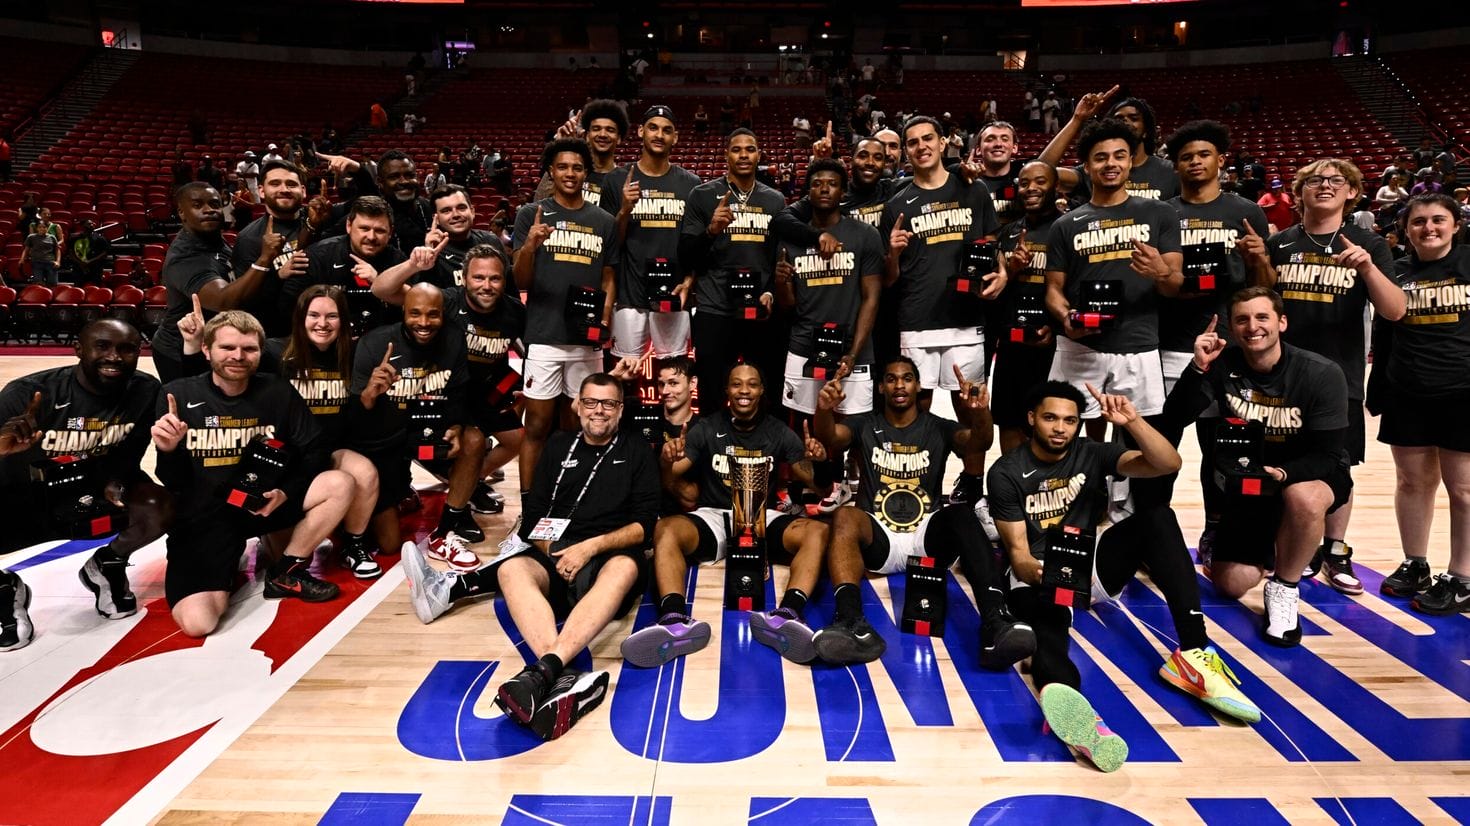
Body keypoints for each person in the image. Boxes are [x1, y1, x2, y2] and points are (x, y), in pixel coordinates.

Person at [403, 373, 656, 740]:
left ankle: (544, 670)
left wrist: (589, 548)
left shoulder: (636, 451)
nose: (598, 411)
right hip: (558, 554)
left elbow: (644, 526)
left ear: (620, 410)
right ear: (577, 405)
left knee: (624, 567)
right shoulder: (557, 445)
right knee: (512, 569)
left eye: (608, 404)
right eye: (590, 402)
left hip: (607, 555)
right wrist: (556, 553)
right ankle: (559, 673)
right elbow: (534, 514)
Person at [988, 381, 1185, 772]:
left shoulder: (1091, 453)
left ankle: (1194, 650)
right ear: (1032, 419)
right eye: (1050, 418)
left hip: (1089, 568)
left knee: (1158, 517)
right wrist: (1045, 576)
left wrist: (1134, 422)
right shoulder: (1006, 472)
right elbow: (1019, 556)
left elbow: (1168, 464)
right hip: (1038, 576)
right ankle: (1083, 721)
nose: (1060, 428)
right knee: (1050, 629)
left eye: (1070, 420)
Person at [809, 357, 1033, 669]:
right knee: (845, 515)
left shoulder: (937, 426)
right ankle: (851, 623)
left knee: (961, 512)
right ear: (880, 387)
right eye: (891, 378)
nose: (899, 385)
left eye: (907, 378)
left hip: (926, 539)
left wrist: (980, 412)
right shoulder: (865, 423)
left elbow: (979, 442)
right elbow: (830, 438)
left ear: (918, 386)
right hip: (880, 537)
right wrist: (824, 409)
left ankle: (996, 621)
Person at [1164, 288, 1353, 646]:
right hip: (1250, 485)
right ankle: (1287, 540)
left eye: (1262, 317)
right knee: (1231, 583)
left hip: (1308, 474)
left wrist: (1282, 475)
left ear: (1281, 322)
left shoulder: (1321, 373)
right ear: (1233, 329)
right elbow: (1175, 418)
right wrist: (1197, 367)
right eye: (1242, 319)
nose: (1253, 327)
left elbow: (1328, 456)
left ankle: (1285, 587)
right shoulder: (1222, 365)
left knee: (1304, 499)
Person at [152, 311, 351, 637]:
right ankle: (229, 561)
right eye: (227, 348)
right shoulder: (178, 396)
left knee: (339, 482)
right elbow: (173, 482)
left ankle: (286, 570)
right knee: (198, 624)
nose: (238, 357)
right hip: (205, 518)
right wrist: (169, 449)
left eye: (249, 349)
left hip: (262, 503)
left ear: (261, 352)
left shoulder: (276, 390)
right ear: (206, 350)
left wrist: (286, 491)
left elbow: (315, 449)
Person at [1259, 158, 1405, 594]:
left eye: (1335, 181)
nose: (1325, 186)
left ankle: (1335, 549)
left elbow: (1395, 309)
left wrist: (1367, 268)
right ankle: (1294, 546)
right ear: (1299, 192)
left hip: (1338, 376)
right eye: (1315, 181)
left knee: (1337, 464)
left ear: (1351, 193)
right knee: (1283, 462)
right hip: (1281, 375)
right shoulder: (1280, 243)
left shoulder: (1368, 244)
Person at [620, 364, 830, 666]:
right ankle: (674, 620)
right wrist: (666, 461)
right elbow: (671, 477)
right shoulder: (706, 428)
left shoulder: (779, 431)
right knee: (666, 528)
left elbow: (820, 488)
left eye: (752, 384)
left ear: (761, 391)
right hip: (716, 516)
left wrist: (820, 463)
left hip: (762, 516)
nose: (744, 390)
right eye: (736, 384)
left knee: (818, 531)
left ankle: (787, 614)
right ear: (727, 391)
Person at [0, 320, 174, 651]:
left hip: (94, 490)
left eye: (126, 349)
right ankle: (5, 591)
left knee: (158, 506)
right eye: (103, 346)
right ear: (78, 349)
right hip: (23, 496)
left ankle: (106, 565)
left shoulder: (145, 390)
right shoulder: (28, 394)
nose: (115, 357)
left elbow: (131, 453)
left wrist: (116, 480)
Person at [878, 115, 1005, 506]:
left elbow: (991, 243)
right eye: (912, 141)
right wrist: (894, 253)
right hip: (916, 320)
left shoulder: (973, 188)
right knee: (915, 410)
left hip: (965, 320)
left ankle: (972, 481)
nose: (921, 146)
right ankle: (920, 480)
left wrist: (1000, 273)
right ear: (905, 150)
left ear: (941, 141)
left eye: (927, 138)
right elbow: (888, 278)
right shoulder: (898, 203)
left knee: (969, 405)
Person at [1043, 118, 1183, 442]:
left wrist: (1159, 271)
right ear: (1087, 166)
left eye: (1119, 155)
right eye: (1101, 157)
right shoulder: (1065, 225)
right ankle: (1089, 493)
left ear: (1131, 161)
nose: (1111, 164)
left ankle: (1123, 495)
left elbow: (1174, 283)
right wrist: (1066, 317)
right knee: (1072, 439)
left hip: (1138, 343)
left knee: (1136, 437)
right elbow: (1052, 289)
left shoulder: (1160, 214)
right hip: (1079, 346)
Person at [1368, 194, 1470, 614]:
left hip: (1463, 390)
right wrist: (1378, 390)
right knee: (1412, 482)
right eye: (1419, 222)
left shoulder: (1468, 262)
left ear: (1455, 225)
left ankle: (1463, 577)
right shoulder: (1398, 270)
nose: (1429, 228)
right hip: (1407, 390)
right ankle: (1415, 562)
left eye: (1438, 220)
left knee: (1463, 489)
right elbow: (1385, 332)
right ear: (1405, 230)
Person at [374, 243, 524, 514]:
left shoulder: (515, 312)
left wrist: (522, 384)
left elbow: (525, 347)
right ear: (464, 278)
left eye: (495, 278)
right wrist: (413, 266)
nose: (486, 285)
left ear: (505, 280)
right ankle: (449, 478)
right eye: (478, 277)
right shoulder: (445, 301)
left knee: (518, 440)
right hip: (442, 393)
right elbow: (381, 289)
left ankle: (467, 480)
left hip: (483, 393)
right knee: (470, 441)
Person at [350, 284, 487, 564]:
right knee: (389, 544)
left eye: (432, 314)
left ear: (443, 315)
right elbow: (355, 417)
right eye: (415, 314)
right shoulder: (374, 344)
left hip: (429, 431)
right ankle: (376, 505)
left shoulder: (454, 339)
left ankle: (448, 527)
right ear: (403, 311)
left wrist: (458, 427)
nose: (424, 323)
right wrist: (369, 394)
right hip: (385, 439)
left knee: (475, 440)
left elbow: (459, 392)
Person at [773, 159, 884, 508]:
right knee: (806, 422)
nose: (824, 188)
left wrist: (853, 352)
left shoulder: (864, 235)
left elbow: (871, 299)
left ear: (843, 190)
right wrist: (781, 284)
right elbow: (788, 307)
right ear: (808, 191)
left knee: (851, 424)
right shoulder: (793, 237)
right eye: (817, 183)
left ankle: (854, 484)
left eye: (832, 183)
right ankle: (820, 484)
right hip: (805, 346)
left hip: (852, 349)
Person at [512, 139, 619, 494]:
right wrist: (530, 245)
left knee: (579, 427)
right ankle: (530, 508)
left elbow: (608, 276)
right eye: (562, 167)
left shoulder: (603, 221)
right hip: (543, 336)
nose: (570, 173)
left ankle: (571, 500)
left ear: (586, 173)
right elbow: (519, 280)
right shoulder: (531, 214)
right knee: (538, 427)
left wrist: (603, 320)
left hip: (584, 342)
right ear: (551, 172)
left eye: (577, 167)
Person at [679, 128, 786, 406]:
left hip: (759, 309)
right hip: (714, 309)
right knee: (713, 391)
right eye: (736, 149)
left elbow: (779, 256)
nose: (743, 155)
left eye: (750, 149)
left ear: (759, 155)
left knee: (764, 389)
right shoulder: (702, 195)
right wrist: (712, 230)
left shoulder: (774, 200)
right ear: (726, 154)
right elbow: (687, 255)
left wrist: (772, 292)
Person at [601, 105, 701, 361]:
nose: (659, 135)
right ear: (640, 131)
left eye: (667, 130)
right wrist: (624, 210)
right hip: (629, 295)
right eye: (653, 128)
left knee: (675, 371)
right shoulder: (616, 181)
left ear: (675, 137)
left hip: (673, 292)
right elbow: (610, 246)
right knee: (623, 372)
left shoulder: (691, 184)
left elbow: (694, 244)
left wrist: (689, 282)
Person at [991, 161, 1062, 452]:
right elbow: (995, 289)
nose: (1031, 188)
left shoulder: (1067, 227)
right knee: (1008, 419)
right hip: (1011, 342)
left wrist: (1056, 328)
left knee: (1048, 421)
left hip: (1052, 344)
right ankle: (1012, 487)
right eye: (1024, 183)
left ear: (1055, 186)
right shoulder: (1006, 233)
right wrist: (1012, 268)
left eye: (1040, 182)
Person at [1040, 87, 1178, 203]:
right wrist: (1077, 119)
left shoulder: (1170, 171)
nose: (1125, 121)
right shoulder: (1095, 170)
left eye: (1134, 118)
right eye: (1119, 118)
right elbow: (1040, 172)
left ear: (1146, 131)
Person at [230, 160, 317, 337]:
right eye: (275, 183)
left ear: (303, 190)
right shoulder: (248, 238)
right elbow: (245, 300)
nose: (284, 189)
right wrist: (278, 275)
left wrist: (357, 170)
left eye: (291, 184)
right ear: (261, 191)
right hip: (277, 333)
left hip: (323, 327)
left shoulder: (320, 219)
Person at [22, 209, 62, 287]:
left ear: (47, 228)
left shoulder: (52, 237)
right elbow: (26, 249)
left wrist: (58, 261)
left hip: (50, 262)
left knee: (52, 284)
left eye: (44, 227)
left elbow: (57, 250)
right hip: (37, 262)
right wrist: (22, 259)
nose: (42, 229)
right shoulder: (31, 237)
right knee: (38, 284)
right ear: (37, 228)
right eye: (40, 227)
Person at [68, 219, 111, 285]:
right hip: (79, 268)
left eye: (92, 223)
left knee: (95, 287)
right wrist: (81, 263)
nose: (92, 225)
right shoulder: (75, 238)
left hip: (95, 267)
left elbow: (105, 253)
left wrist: (90, 261)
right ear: (83, 226)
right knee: (79, 287)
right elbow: (71, 253)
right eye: (89, 224)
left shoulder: (100, 238)